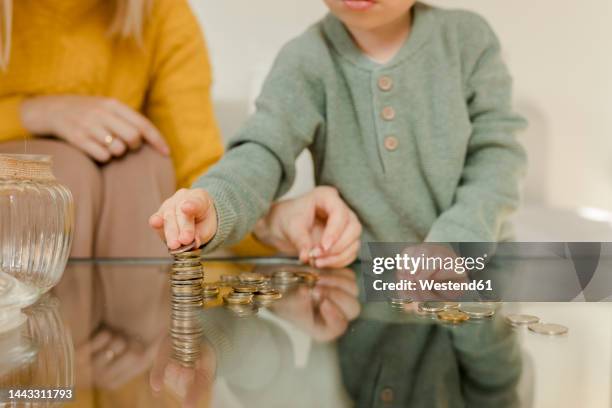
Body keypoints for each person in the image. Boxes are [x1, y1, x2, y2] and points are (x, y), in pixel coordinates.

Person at [150, 0, 527, 255]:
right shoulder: (305, 58)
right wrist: (217, 203)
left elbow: (497, 158)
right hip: (362, 292)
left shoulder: (468, 40)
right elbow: (262, 150)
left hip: (480, 271)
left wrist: (456, 244)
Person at [0, 0, 361, 263]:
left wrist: (268, 222)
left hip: (114, 231)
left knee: (140, 164)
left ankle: (130, 344)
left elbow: (197, 176)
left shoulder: (160, 15)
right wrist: (34, 112)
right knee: (67, 170)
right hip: (31, 242)